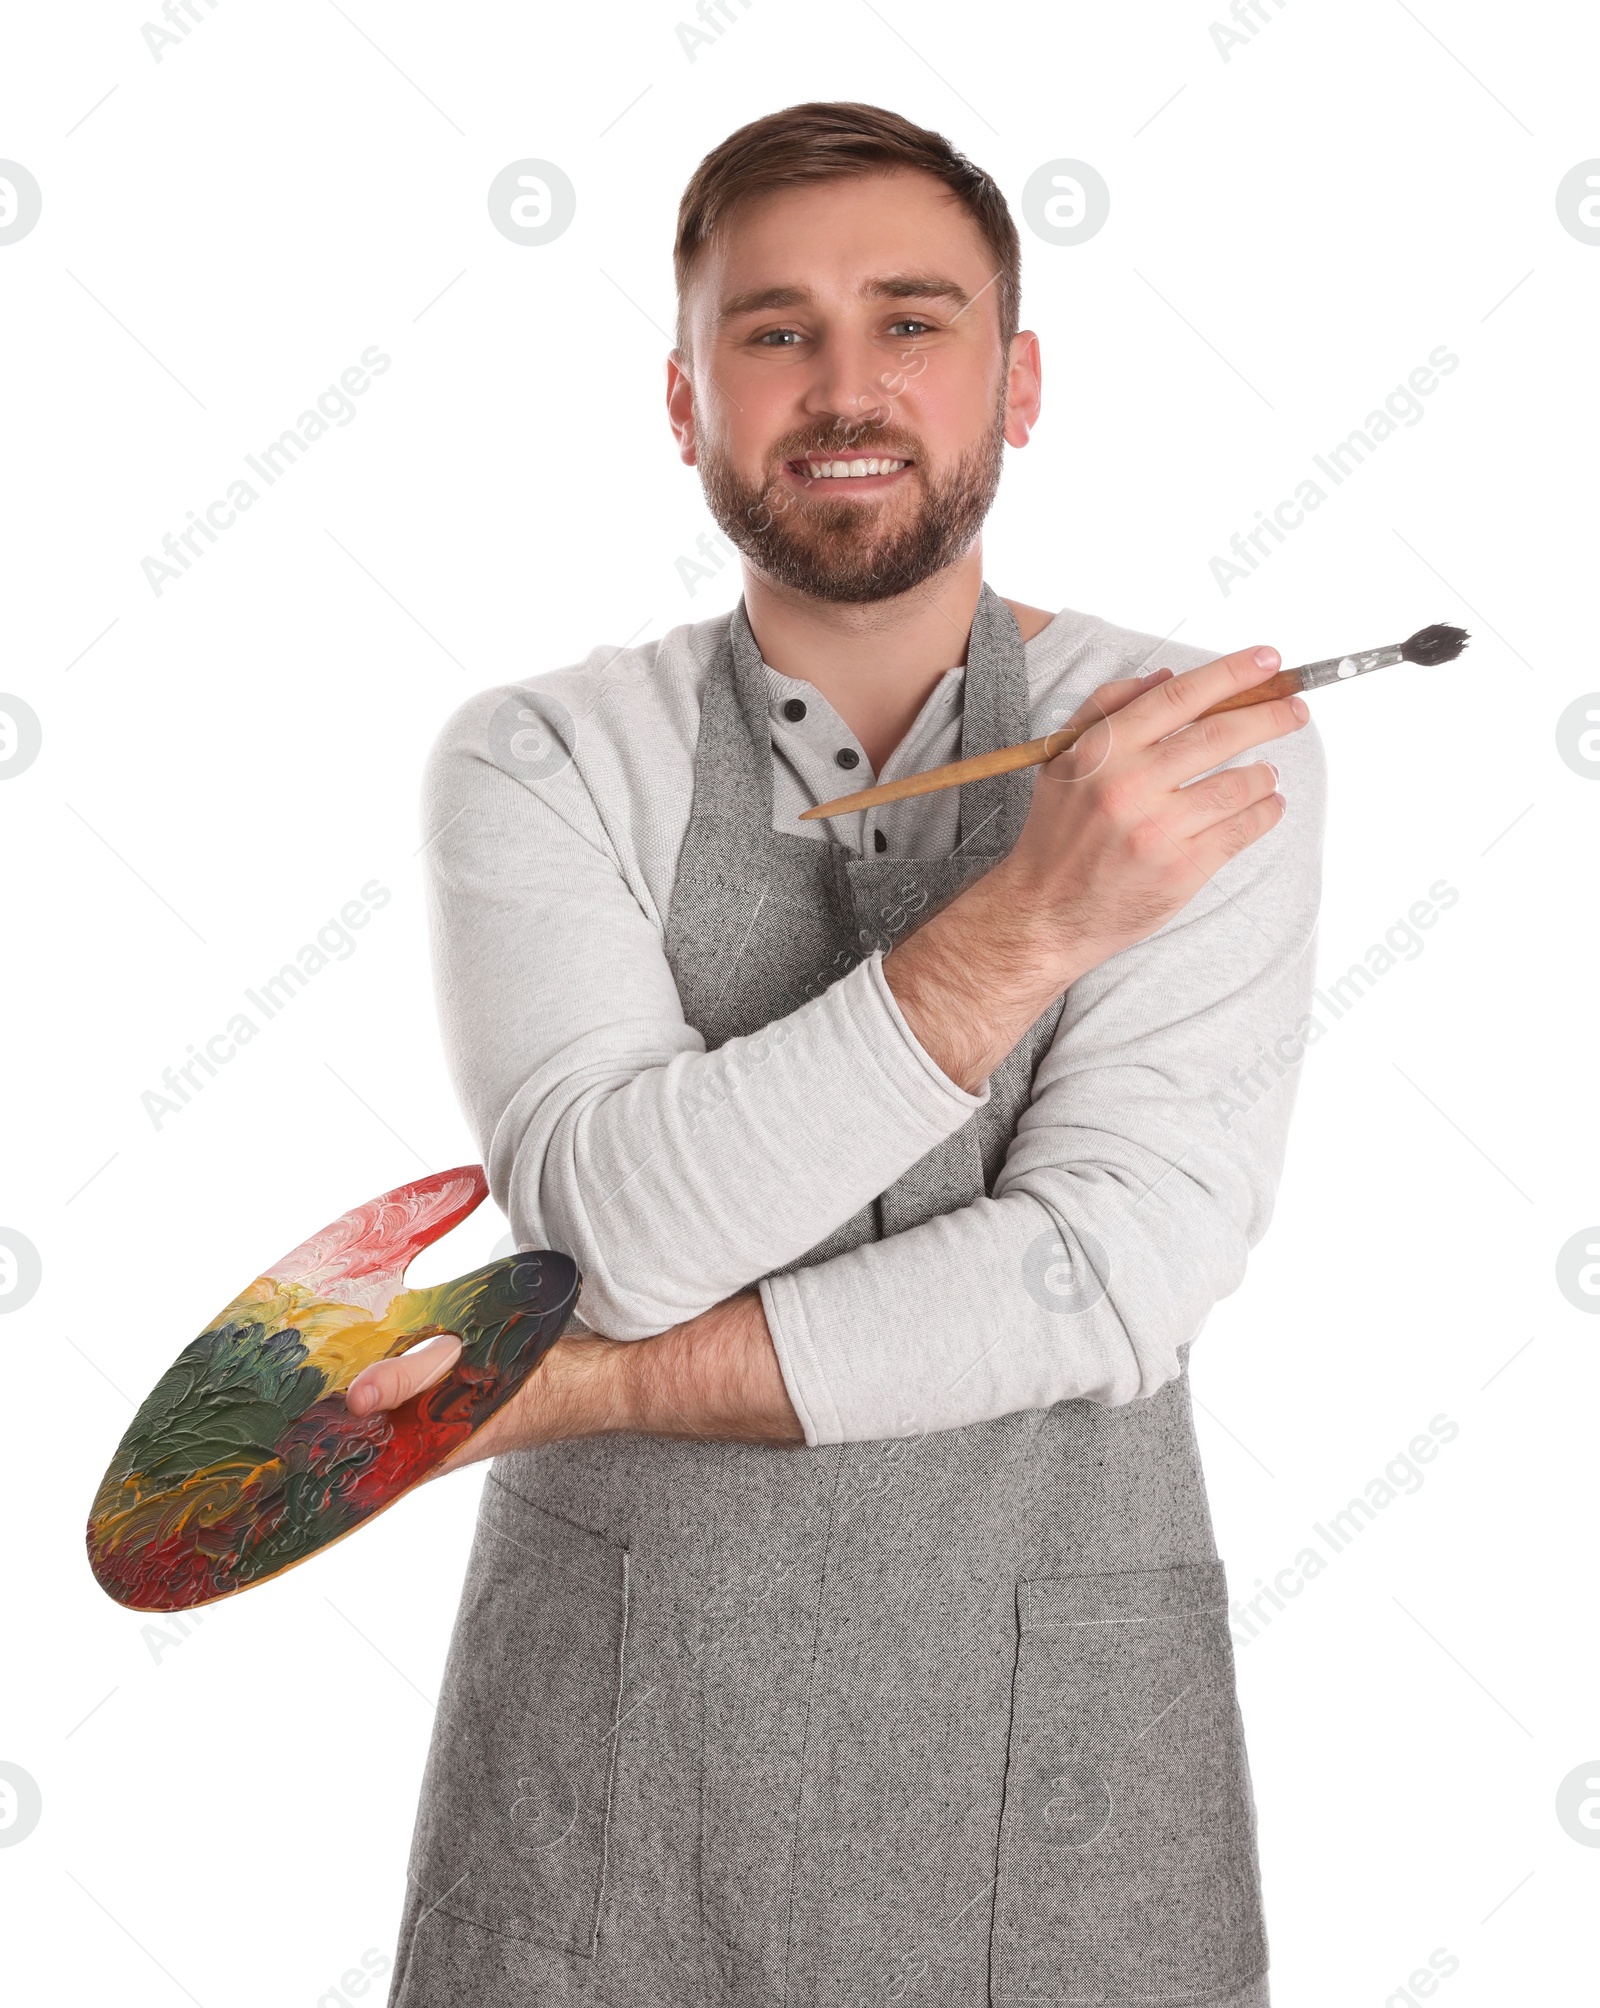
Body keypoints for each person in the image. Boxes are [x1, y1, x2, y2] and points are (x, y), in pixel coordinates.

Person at [359, 99, 1324, 2008]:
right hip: (617, 1757)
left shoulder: (1200, 752)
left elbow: (1104, 1274)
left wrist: (574, 1388)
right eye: (775, 330)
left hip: (1057, 1762)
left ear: (1019, 378)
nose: (847, 383)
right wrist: (1032, 923)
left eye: (915, 318)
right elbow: (619, 1236)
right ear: (685, 397)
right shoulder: (542, 761)